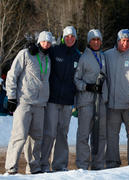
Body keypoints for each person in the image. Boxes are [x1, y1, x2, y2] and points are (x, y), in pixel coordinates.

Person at [5, 31, 52, 174]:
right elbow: (12, 75)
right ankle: (11, 167)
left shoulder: (48, 59)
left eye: (49, 42)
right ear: (39, 41)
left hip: (40, 104)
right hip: (24, 101)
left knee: (36, 138)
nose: (46, 44)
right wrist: (11, 97)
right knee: (19, 136)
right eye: (44, 41)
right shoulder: (26, 54)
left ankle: (34, 167)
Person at [40, 26, 81, 172]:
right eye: (67, 36)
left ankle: (59, 165)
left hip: (68, 100)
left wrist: (76, 101)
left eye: (72, 36)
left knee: (62, 134)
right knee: (50, 132)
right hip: (52, 99)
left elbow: (78, 78)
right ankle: (43, 164)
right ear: (63, 37)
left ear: (76, 38)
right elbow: (42, 52)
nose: (70, 38)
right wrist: (33, 47)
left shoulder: (78, 55)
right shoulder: (55, 50)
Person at [105, 29, 129, 168]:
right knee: (112, 135)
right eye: (123, 41)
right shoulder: (107, 55)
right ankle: (112, 162)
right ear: (118, 41)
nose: (126, 44)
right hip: (113, 106)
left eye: (128, 41)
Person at [74, 29, 108, 170]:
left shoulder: (103, 57)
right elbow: (76, 79)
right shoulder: (84, 58)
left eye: (98, 39)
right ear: (89, 41)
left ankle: (98, 164)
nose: (96, 42)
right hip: (86, 101)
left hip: (100, 101)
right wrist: (86, 87)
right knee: (84, 134)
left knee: (100, 134)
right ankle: (82, 165)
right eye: (93, 40)